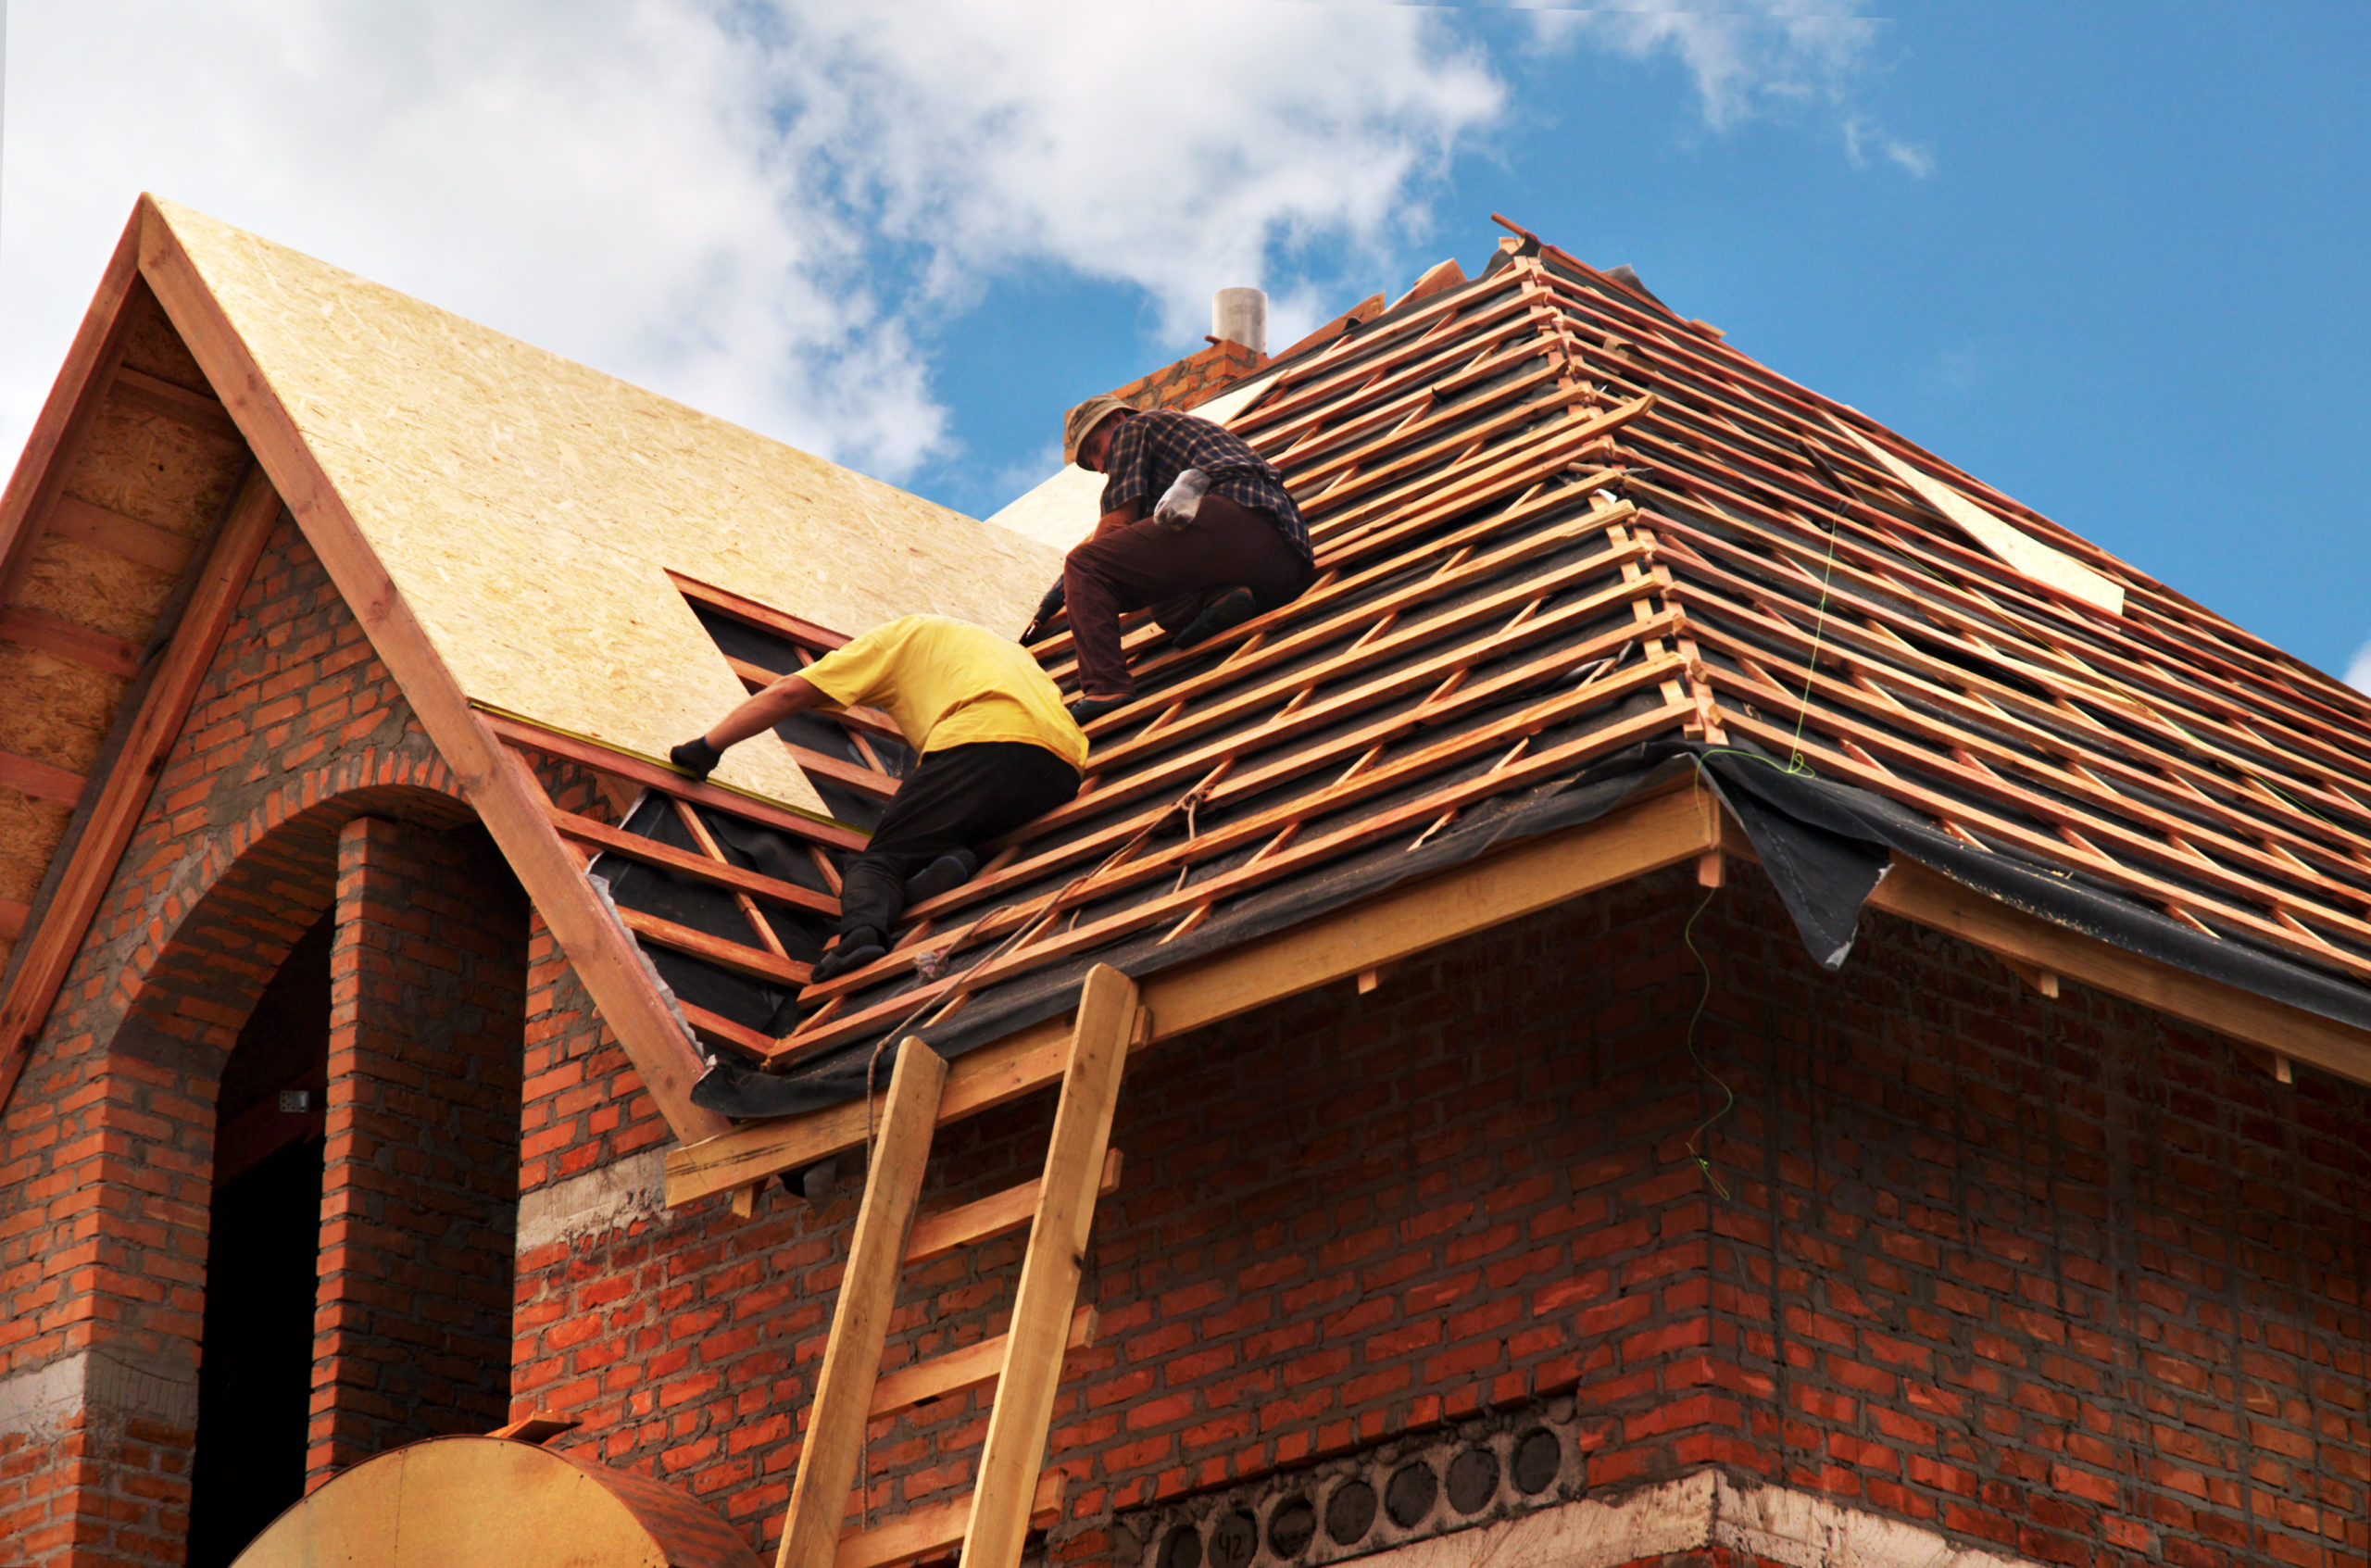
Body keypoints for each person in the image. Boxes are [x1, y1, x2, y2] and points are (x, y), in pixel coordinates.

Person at [669, 614, 1085, 985]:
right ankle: (948, 864)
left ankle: (861, 937)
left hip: (984, 737)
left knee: (877, 861)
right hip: (1064, 767)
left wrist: (707, 747)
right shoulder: (997, 651)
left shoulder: (893, 639)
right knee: (940, 835)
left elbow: (789, 693)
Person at [1043, 395, 1313, 723]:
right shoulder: (1174, 437)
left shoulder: (1134, 427)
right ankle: (1227, 596)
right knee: (1166, 607)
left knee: (1084, 564)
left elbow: (1117, 522)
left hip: (1231, 517)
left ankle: (1105, 687)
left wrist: (1070, 582)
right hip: (1286, 564)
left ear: (1116, 420)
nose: (1101, 467)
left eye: (1097, 450)